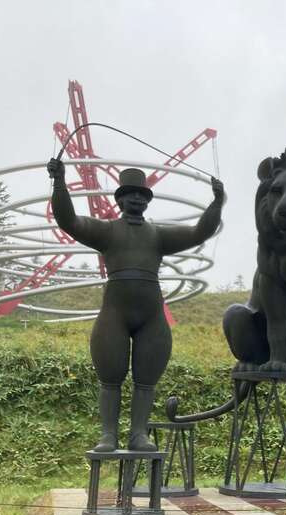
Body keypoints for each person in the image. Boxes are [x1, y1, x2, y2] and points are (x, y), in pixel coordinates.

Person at [46, 158, 223, 451]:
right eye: (131, 194)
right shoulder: (106, 231)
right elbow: (69, 221)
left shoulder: (157, 235)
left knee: (146, 379)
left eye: (142, 194)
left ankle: (138, 433)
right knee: (110, 376)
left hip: (151, 315)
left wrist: (216, 202)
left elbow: (198, 233)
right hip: (115, 313)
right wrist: (59, 182)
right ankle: (108, 435)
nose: (137, 198)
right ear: (120, 199)